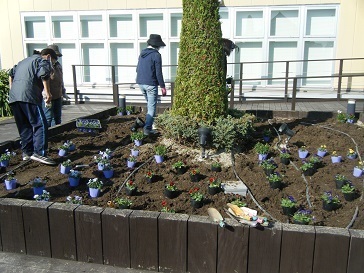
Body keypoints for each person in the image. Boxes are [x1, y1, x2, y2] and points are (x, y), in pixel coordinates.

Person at [8, 48, 57, 165]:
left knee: (24, 126)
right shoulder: (42, 61)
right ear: (49, 56)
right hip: (28, 96)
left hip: (15, 97)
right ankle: (40, 153)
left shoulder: (23, 61)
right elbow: (44, 75)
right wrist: (48, 93)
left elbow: (10, 74)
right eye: (54, 61)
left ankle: (27, 153)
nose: (53, 64)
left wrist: (12, 90)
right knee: (40, 124)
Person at [136, 34, 167, 136]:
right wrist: (162, 86)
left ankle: (151, 124)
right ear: (157, 45)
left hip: (141, 83)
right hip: (150, 84)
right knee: (152, 107)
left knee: (150, 105)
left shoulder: (142, 53)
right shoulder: (156, 55)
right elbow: (158, 72)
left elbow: (137, 69)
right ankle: (148, 128)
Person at [42, 44, 66, 127]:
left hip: (57, 95)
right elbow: (44, 80)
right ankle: (49, 136)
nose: (57, 58)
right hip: (48, 97)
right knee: (49, 117)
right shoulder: (45, 66)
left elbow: (60, 80)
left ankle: (58, 134)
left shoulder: (58, 65)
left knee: (57, 117)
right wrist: (47, 94)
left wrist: (63, 91)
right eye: (55, 56)